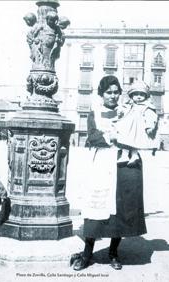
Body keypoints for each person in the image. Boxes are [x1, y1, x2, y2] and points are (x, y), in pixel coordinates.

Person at [70, 75, 147, 271]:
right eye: (109, 92)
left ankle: (113, 252)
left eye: (116, 92)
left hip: (124, 165)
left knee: (121, 210)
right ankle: (87, 254)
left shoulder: (128, 111)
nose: (113, 96)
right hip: (102, 164)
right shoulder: (94, 112)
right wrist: (113, 137)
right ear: (101, 95)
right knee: (96, 210)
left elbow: (139, 133)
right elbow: (92, 137)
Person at [115, 80, 159, 166]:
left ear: (146, 96)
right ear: (131, 96)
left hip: (138, 128)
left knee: (135, 141)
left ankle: (134, 156)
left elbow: (151, 117)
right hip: (128, 127)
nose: (139, 97)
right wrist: (120, 113)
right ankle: (125, 156)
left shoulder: (147, 107)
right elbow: (122, 112)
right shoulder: (129, 105)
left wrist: (149, 127)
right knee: (124, 139)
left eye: (141, 94)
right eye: (136, 94)